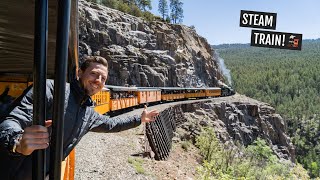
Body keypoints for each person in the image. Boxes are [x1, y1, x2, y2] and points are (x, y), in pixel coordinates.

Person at [0, 56, 159, 180]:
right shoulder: (52, 89)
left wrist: (140, 118)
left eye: (103, 79)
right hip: (11, 172)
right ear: (79, 73)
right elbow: (12, 119)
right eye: (94, 74)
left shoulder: (88, 112)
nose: (98, 81)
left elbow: (112, 124)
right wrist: (17, 142)